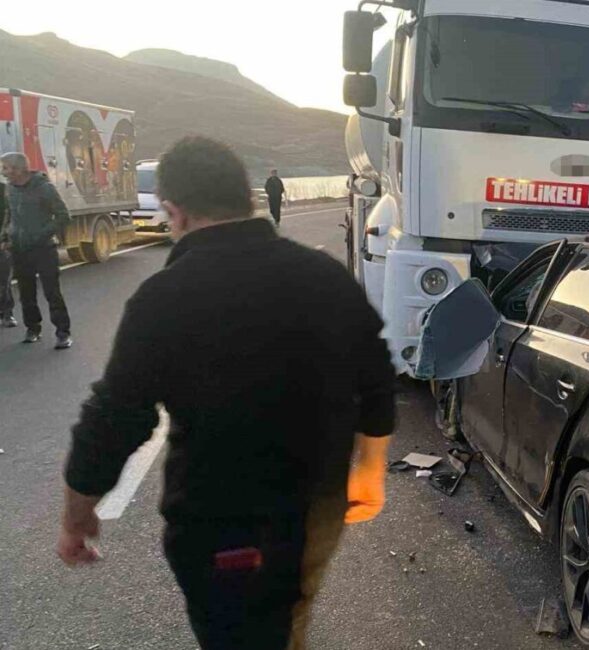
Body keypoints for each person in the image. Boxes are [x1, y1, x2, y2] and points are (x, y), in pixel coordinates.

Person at [56, 137, 395, 650]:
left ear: (174, 211)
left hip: (224, 522)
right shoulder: (323, 275)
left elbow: (116, 416)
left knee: (242, 635)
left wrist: (78, 515)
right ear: (249, 198)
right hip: (318, 506)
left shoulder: (164, 298)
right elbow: (374, 373)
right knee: (288, 613)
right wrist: (370, 468)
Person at [0, 152, 72, 347]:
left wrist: (41, 234)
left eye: (6, 168)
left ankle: (63, 333)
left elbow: (64, 216)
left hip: (43, 249)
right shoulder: (10, 190)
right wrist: (6, 236)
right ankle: (33, 329)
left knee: (52, 292)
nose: (3, 172)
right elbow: (10, 214)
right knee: (26, 293)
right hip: (19, 249)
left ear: (19, 169)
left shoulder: (44, 188)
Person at [0, 178, 18, 328]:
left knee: (3, 280)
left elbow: (11, 216)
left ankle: (7, 313)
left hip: (2, 243)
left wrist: (6, 238)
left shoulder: (4, 190)